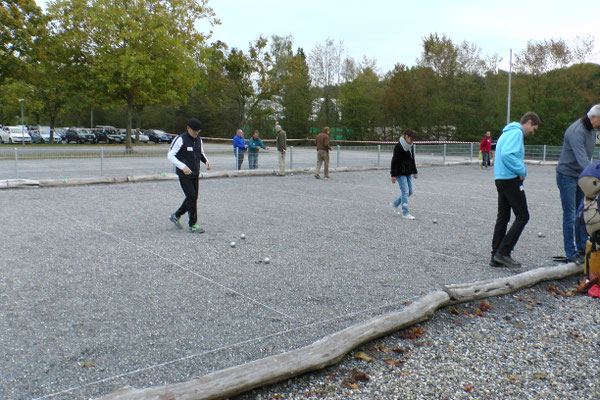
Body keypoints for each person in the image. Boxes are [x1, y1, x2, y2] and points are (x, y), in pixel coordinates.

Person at [490, 111, 541, 268]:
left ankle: (495, 255)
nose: (532, 132)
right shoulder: (516, 133)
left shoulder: (506, 132)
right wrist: (522, 170)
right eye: (534, 129)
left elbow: (501, 153)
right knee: (523, 216)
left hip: (500, 178)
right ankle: (503, 252)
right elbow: (507, 154)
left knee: (503, 217)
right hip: (510, 179)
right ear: (529, 122)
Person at [556, 104, 600, 264]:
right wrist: (595, 176)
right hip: (567, 176)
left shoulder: (592, 130)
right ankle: (571, 252)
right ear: (593, 117)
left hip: (580, 176)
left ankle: (583, 248)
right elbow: (582, 160)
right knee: (570, 214)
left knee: (582, 212)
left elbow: (588, 157)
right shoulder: (576, 131)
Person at [167, 118, 211, 233]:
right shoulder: (180, 139)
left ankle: (176, 215)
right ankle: (193, 224)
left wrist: (206, 161)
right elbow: (170, 155)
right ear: (188, 128)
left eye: (198, 131)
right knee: (191, 197)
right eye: (194, 130)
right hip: (184, 174)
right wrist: (183, 167)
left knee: (193, 197)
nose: (196, 132)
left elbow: (201, 153)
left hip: (195, 173)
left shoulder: (199, 139)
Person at [390, 129, 418, 220]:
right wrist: (393, 175)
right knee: (405, 191)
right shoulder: (398, 147)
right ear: (406, 136)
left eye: (414, 139)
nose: (412, 141)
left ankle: (395, 204)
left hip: (408, 172)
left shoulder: (411, 146)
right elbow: (394, 161)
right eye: (411, 139)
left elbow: (412, 159)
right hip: (399, 172)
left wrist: (415, 171)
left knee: (410, 191)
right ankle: (405, 212)